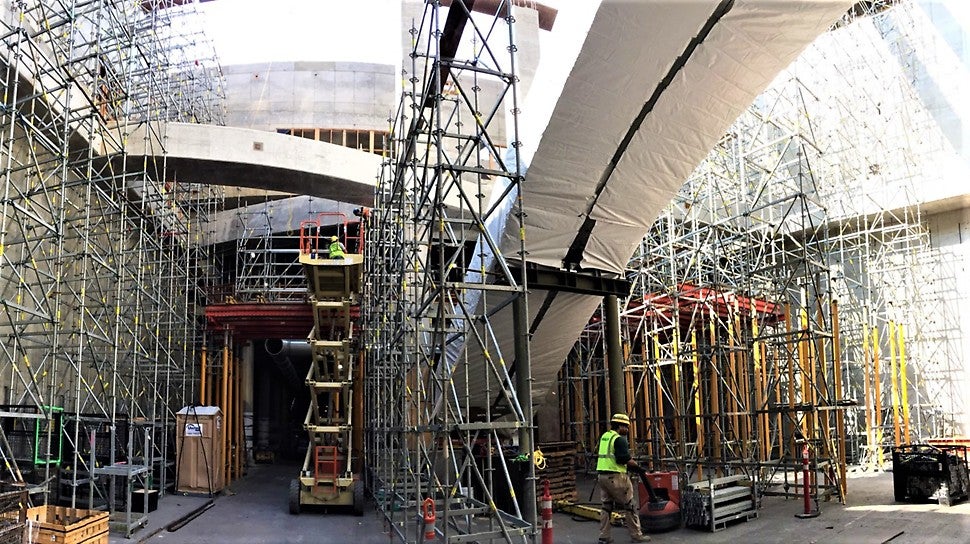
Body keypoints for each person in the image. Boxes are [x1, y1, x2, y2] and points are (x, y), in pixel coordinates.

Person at [597, 413, 650, 543]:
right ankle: (636, 535)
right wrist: (638, 468)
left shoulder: (605, 436)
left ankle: (604, 536)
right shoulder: (619, 440)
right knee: (630, 505)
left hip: (602, 477)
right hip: (616, 477)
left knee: (606, 506)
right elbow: (623, 459)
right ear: (620, 426)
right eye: (625, 427)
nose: (627, 429)